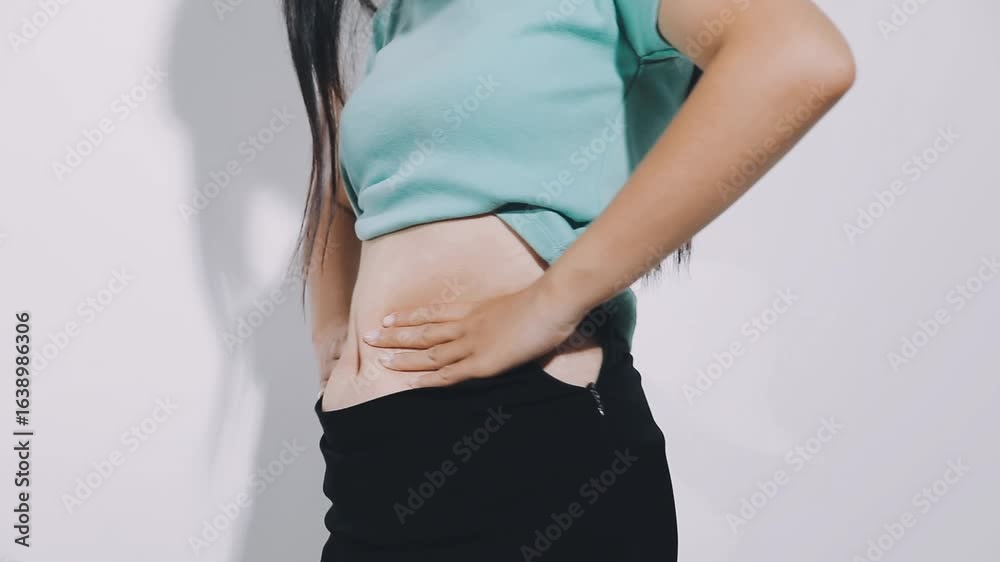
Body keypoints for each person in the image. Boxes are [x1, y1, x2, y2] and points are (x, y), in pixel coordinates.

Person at [282, 0, 855, 560]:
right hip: (365, 465)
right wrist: (331, 333)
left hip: (523, 443)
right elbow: (343, 194)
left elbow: (798, 56)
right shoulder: (403, 17)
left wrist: (549, 304)